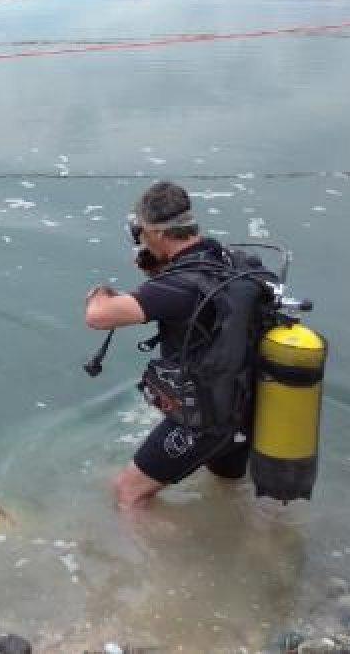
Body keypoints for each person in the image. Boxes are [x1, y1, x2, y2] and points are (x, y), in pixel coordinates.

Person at [84, 182, 270, 509]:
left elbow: (98, 317)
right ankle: (247, 547)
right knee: (228, 492)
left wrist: (99, 292)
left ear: (155, 232)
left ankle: (159, 560)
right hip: (248, 410)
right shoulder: (230, 264)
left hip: (206, 421)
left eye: (139, 232)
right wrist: (159, 270)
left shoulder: (175, 288)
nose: (139, 239)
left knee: (127, 493)